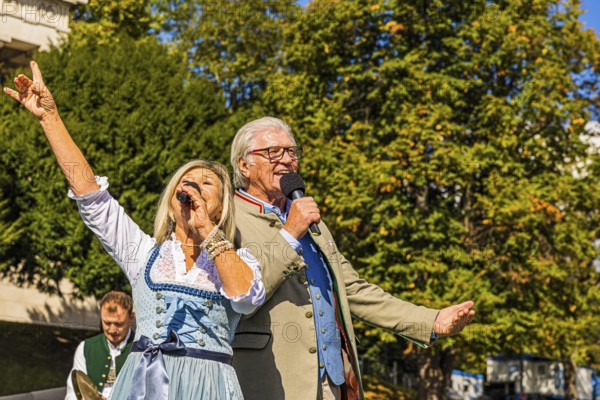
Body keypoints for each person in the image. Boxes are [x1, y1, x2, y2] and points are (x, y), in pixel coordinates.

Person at [4, 61, 265, 399]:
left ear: (222, 204)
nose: (194, 187)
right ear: (173, 198)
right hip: (143, 384)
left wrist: (207, 231)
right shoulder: (144, 253)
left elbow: (245, 300)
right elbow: (93, 198)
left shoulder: (237, 258)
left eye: (206, 182)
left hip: (209, 387)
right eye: (185, 182)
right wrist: (50, 120)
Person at [229, 117, 476, 400]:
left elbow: (354, 291)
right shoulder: (228, 219)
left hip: (332, 383)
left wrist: (430, 321)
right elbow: (242, 295)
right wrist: (290, 233)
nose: (287, 160)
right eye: (273, 152)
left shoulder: (309, 219)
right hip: (269, 383)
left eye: (292, 151)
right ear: (244, 165)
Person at [65, 291, 136, 400]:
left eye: (118, 324)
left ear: (131, 318)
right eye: (107, 323)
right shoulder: (85, 348)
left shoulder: (143, 349)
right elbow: (73, 393)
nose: (112, 330)